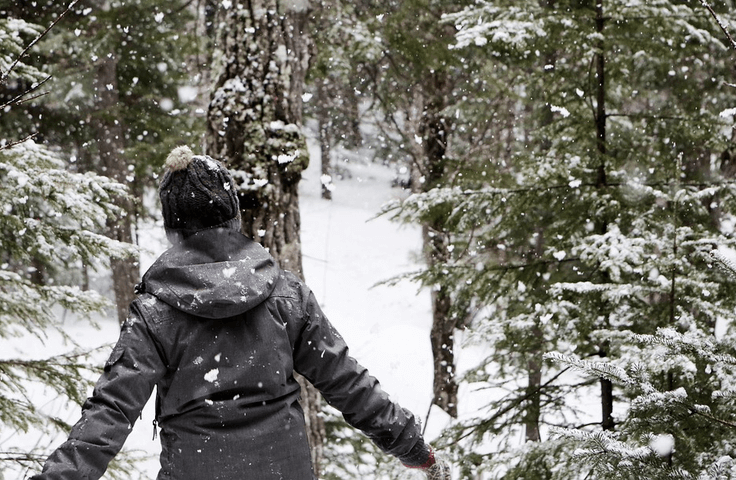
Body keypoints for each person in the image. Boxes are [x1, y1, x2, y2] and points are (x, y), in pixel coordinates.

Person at [31, 146, 447, 480]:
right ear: (234, 217)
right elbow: (348, 383)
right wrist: (415, 449)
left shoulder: (157, 312)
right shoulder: (286, 296)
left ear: (172, 229)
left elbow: (110, 413)